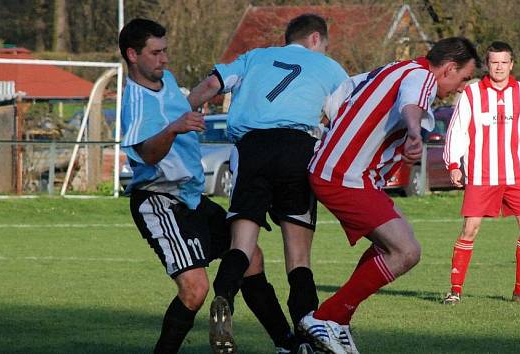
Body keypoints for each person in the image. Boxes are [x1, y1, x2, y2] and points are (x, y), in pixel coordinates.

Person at [118, 18, 297, 354]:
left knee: (250, 256)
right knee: (194, 290)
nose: (164, 59)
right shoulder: (135, 100)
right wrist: (174, 128)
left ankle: (286, 343)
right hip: (160, 201)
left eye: (165, 51)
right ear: (132, 55)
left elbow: (184, 106)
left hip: (192, 198)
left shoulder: (167, 80)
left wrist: (208, 100)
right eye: (155, 53)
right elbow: (148, 154)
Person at [300, 37, 481, 354]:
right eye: (464, 78)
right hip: (345, 177)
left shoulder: (396, 68)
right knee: (406, 251)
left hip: (348, 174)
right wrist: (413, 132)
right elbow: (411, 104)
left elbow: (340, 96)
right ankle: (324, 317)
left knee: (398, 241)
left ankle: (337, 322)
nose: (461, 86)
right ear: (449, 68)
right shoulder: (423, 76)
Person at [187, 13, 348, 354]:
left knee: (242, 245)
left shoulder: (253, 57)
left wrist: (182, 115)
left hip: (251, 149)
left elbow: (210, 86)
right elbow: (345, 118)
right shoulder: (330, 68)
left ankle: (224, 298)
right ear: (316, 39)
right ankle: (307, 336)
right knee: (299, 257)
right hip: (298, 148)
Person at [441, 41, 520, 305]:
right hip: (481, 176)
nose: (499, 67)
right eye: (494, 62)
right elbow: (457, 130)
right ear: (487, 65)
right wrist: (454, 164)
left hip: (517, 176)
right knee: (470, 229)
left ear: (511, 64)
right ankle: (455, 291)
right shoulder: (471, 94)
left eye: (504, 62)